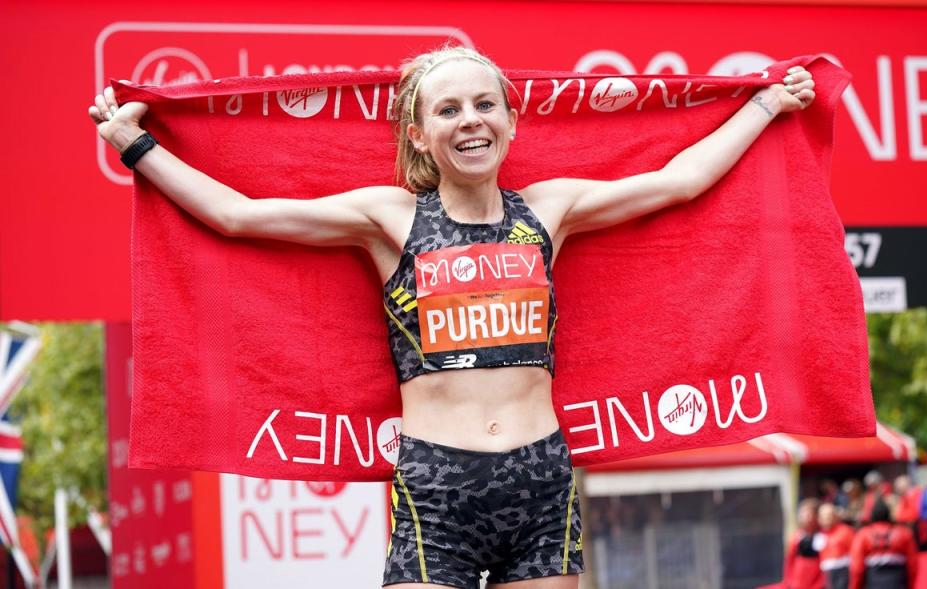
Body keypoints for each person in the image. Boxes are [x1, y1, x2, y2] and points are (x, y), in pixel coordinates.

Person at [89, 46, 816, 589]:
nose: (470, 120)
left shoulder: (550, 210)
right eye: (448, 110)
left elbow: (678, 182)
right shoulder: (389, 218)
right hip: (437, 486)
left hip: (542, 482)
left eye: (483, 104)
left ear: (509, 119)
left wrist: (766, 106)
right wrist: (136, 147)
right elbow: (239, 216)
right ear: (419, 135)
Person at [850, 497, 918, 589]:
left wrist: (855, 586)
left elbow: (857, 568)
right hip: (898, 582)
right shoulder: (904, 533)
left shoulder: (863, 535)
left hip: (873, 582)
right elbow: (912, 565)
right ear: (888, 515)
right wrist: (910, 585)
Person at [785, 498, 825, 589]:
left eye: (808, 514)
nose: (804, 517)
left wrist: (819, 584)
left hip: (817, 582)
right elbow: (789, 560)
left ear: (817, 516)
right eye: (802, 513)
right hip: (798, 582)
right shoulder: (797, 536)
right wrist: (789, 581)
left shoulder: (823, 536)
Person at [818, 503, 855, 589]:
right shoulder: (820, 534)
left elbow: (855, 553)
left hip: (843, 573)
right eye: (824, 516)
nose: (827, 518)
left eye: (830, 515)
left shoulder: (846, 531)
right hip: (826, 574)